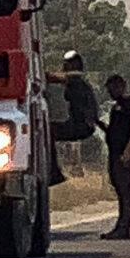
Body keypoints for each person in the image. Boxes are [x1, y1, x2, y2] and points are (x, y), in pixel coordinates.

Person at [47, 50, 101, 187]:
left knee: (48, 131)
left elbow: (53, 77)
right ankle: (54, 170)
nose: (64, 66)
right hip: (81, 124)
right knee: (49, 131)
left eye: (67, 64)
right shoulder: (78, 81)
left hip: (81, 125)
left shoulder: (75, 79)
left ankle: (54, 171)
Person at [100, 73, 130, 240]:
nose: (110, 92)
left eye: (112, 88)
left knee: (126, 191)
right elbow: (113, 130)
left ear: (121, 87)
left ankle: (124, 228)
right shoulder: (116, 106)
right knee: (118, 188)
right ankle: (120, 226)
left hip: (124, 154)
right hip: (114, 152)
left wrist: (128, 151)